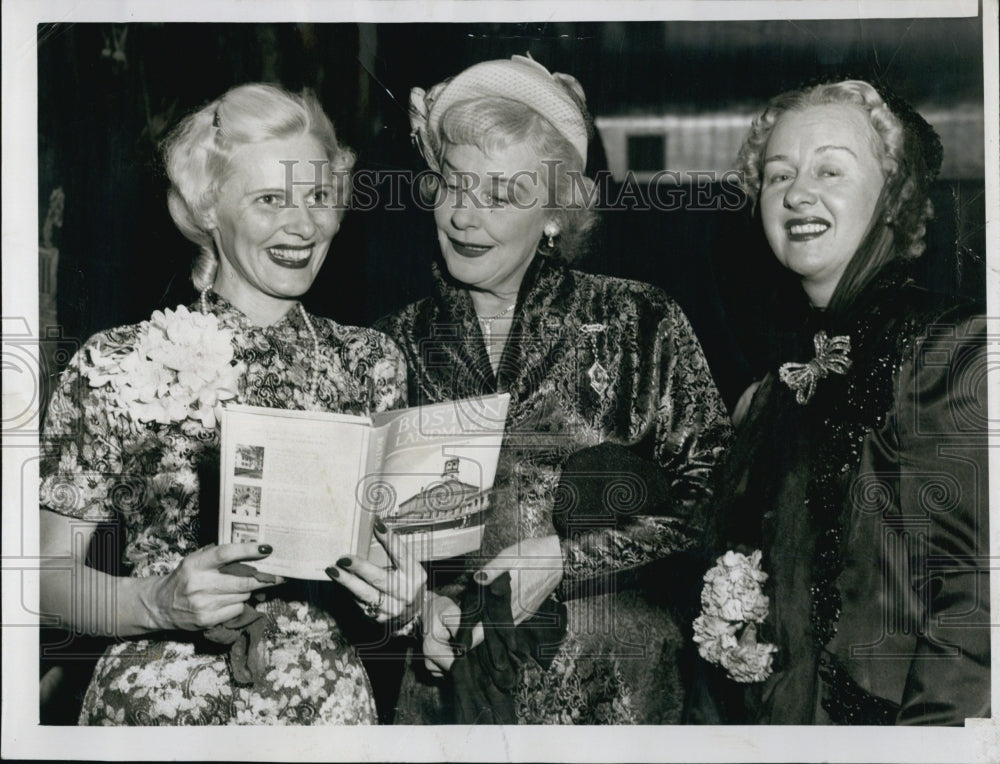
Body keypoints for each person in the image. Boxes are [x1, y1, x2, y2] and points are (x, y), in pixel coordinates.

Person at [329, 55, 734, 724]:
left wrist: (564, 559)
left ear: (553, 211)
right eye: (455, 185)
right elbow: (361, 538)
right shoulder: (388, 344)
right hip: (450, 696)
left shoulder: (638, 321)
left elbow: (716, 502)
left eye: (501, 194)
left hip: (614, 696)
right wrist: (413, 609)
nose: (465, 216)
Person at [38, 83, 407, 725]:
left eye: (319, 196)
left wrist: (406, 597)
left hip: (328, 712)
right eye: (270, 199)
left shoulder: (372, 362)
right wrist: (156, 602)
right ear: (209, 208)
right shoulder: (119, 361)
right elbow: (39, 575)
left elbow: (394, 563)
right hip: (163, 707)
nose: (304, 224)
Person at [692, 80, 990, 724]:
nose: (798, 193)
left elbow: (976, 604)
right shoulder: (771, 393)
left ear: (894, 195)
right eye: (778, 176)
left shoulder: (951, 345)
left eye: (831, 168)